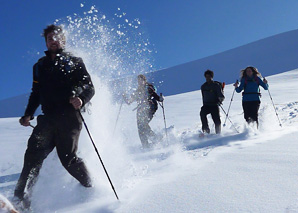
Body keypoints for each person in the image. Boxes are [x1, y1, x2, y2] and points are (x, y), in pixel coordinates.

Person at [14, 25, 95, 210]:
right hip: (48, 118)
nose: (53, 40)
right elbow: (36, 93)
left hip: (69, 117)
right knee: (32, 157)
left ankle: (90, 187)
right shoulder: (39, 66)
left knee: (68, 158)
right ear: (46, 42)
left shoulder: (74, 61)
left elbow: (89, 86)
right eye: (49, 38)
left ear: (63, 41)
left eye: (57, 37)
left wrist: (81, 99)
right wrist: (28, 114)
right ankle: (20, 200)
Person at [123, 74, 164, 148]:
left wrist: (160, 98)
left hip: (150, 107)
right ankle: (146, 145)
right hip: (141, 110)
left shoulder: (148, 88)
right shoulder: (137, 91)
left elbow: (156, 96)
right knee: (140, 127)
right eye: (138, 81)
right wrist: (125, 96)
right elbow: (129, 102)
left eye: (141, 80)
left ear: (144, 81)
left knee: (143, 124)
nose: (140, 82)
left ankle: (155, 139)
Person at [200, 70, 225, 134]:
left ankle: (218, 133)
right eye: (206, 76)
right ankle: (206, 131)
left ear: (212, 77)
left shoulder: (216, 85)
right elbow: (203, 96)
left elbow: (221, 95)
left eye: (209, 76)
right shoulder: (203, 86)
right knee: (202, 113)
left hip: (214, 105)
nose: (208, 78)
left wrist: (220, 100)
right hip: (206, 105)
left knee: (217, 121)